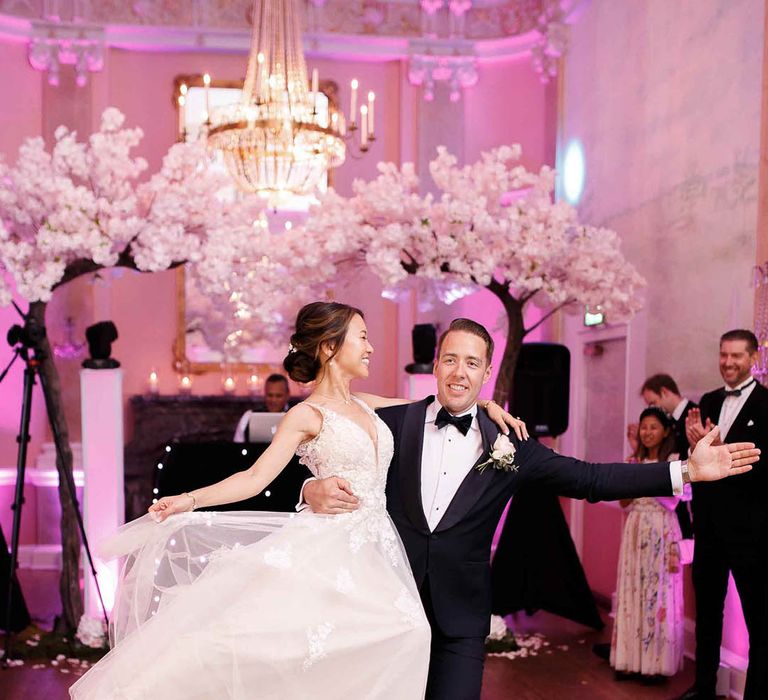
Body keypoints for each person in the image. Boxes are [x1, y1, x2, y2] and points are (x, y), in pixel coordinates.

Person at [69, 302, 528, 700]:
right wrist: (187, 499)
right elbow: (253, 478)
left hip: (378, 552)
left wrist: (487, 407)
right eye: (362, 338)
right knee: (306, 650)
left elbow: (437, 407)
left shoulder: (368, 404)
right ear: (330, 349)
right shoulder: (305, 415)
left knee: (403, 636)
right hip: (329, 548)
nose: (370, 348)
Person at [303, 318, 759, 700]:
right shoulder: (393, 424)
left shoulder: (512, 444)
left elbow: (591, 479)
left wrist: (685, 472)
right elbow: (320, 443)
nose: (459, 372)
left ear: (487, 375)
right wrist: (309, 489)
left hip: (460, 624)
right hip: (391, 611)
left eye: (472, 363)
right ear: (436, 366)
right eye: (450, 359)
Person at [676, 330, 768, 700]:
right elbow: (702, 465)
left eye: (736, 356)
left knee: (759, 622)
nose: (728, 363)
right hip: (709, 530)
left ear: (754, 358)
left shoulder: (766, 403)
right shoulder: (709, 400)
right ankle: (704, 688)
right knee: (708, 616)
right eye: (723, 355)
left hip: (752, 535)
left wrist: (718, 449)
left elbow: (760, 467)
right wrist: (695, 443)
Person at [611, 407, 685, 683]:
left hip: (662, 532)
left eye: (654, 427)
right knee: (634, 591)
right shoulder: (632, 461)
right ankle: (630, 661)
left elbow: (672, 501)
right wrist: (632, 476)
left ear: (665, 431)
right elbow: (623, 502)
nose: (648, 432)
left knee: (660, 594)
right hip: (635, 531)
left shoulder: (675, 462)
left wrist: (645, 477)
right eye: (644, 427)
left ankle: (656, 664)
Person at [628, 373, 696, 539]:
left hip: (687, 507)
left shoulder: (694, 415)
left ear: (665, 392)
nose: (653, 409)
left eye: (653, 402)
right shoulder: (671, 422)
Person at [233, 373, 290, 442]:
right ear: (265, 394)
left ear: (287, 395)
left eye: (278, 396)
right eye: (270, 395)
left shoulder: (296, 415)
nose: (273, 400)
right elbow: (237, 444)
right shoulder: (249, 416)